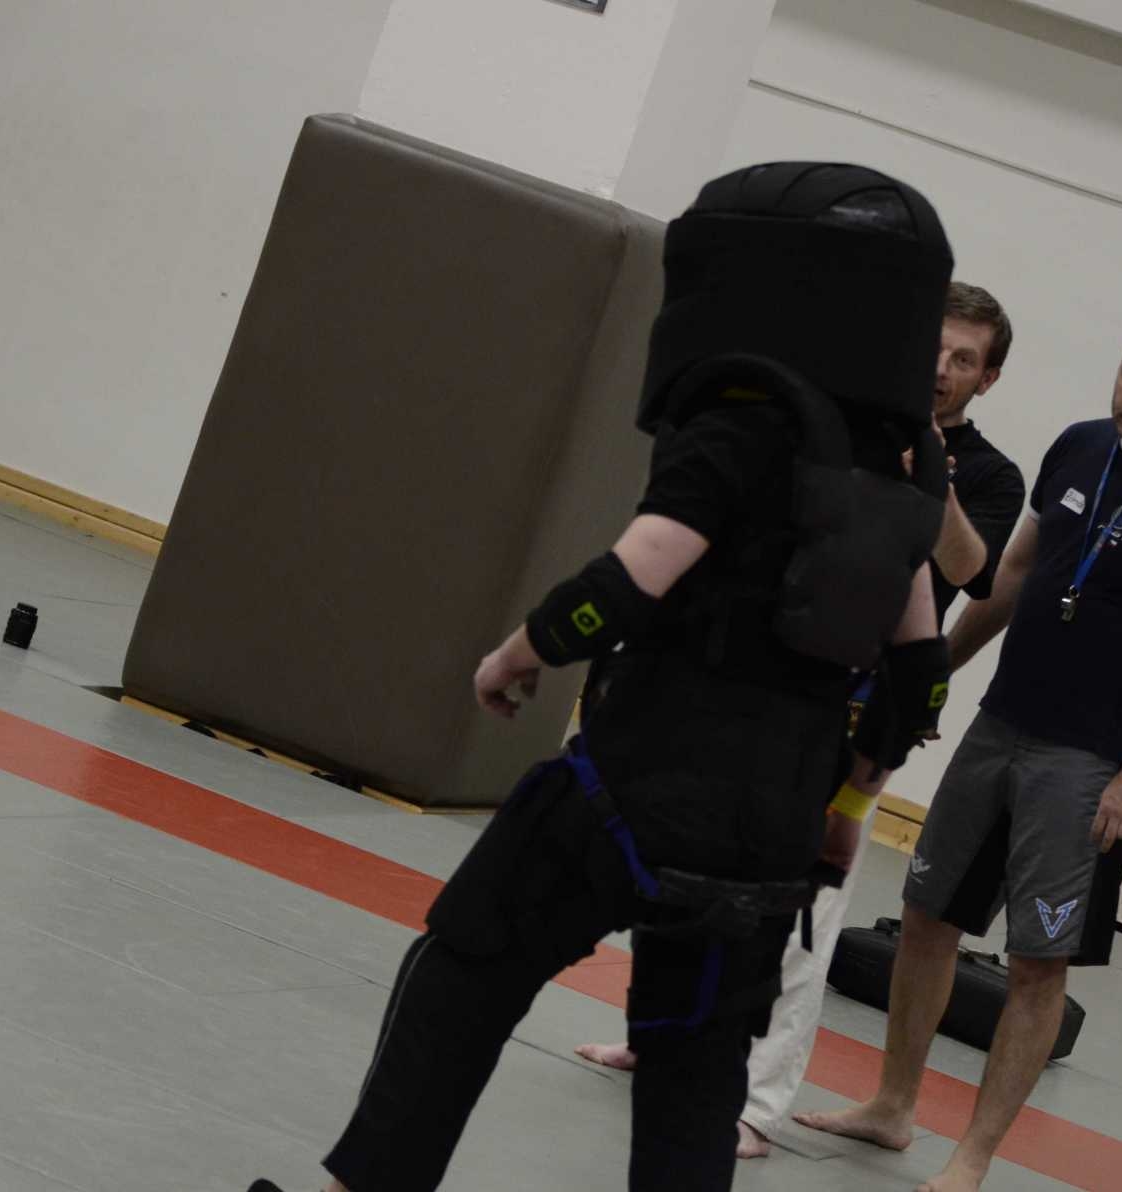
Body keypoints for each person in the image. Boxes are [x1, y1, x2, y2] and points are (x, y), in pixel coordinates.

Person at [243, 161, 962, 1192]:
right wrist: (846, 805)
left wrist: (517, 654)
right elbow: (921, 676)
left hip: (639, 786)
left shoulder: (745, 418)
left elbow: (628, 585)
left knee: (467, 966)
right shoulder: (902, 471)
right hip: (774, 832)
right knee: (694, 1064)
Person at [573, 282, 1027, 1161]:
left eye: (964, 359)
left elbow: (971, 571)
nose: (941, 369)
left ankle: (756, 1101)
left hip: (861, 711)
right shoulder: (848, 418)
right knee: (694, 859)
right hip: (768, 671)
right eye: (934, 348)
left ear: (988, 378)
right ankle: (661, 1038)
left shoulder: (992, 475)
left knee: (806, 904)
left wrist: (932, 474)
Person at [795, 314, 1122, 1192]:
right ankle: (892, 1106)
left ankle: (972, 1157)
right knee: (926, 918)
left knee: (1037, 964)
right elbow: (1010, 577)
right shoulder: (1079, 446)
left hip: (1088, 762)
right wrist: (932, 674)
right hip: (1000, 725)